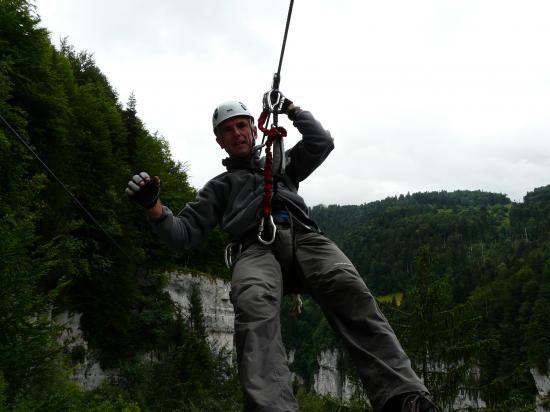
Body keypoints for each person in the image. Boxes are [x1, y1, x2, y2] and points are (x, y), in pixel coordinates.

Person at [126, 92, 440, 412]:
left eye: (241, 126)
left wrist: (291, 109)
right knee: (252, 302)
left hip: (304, 236)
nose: (236, 133)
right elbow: (182, 235)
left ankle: (403, 397)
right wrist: (154, 207)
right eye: (228, 130)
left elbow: (321, 142)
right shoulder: (219, 189)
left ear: (253, 129)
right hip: (255, 248)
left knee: (348, 286)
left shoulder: (280, 165)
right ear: (219, 141)